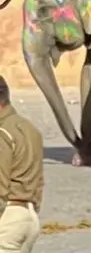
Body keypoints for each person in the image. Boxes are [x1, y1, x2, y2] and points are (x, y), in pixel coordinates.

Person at [0, 75, 43, 251]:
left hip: (8, 219)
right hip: (29, 216)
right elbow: (38, 180)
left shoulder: (3, 132)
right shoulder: (28, 128)